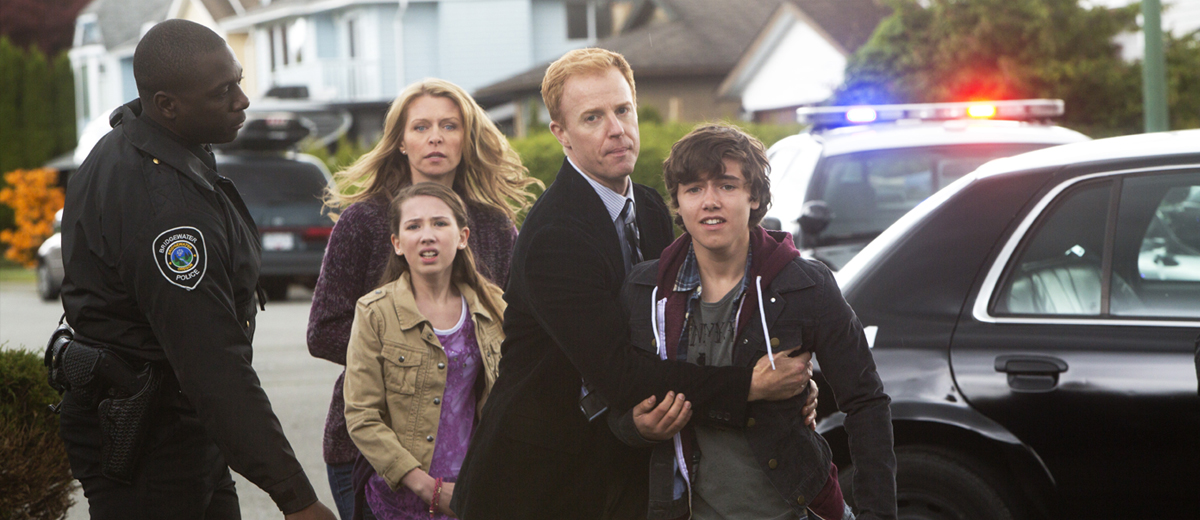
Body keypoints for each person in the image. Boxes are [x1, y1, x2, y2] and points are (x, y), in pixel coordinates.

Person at [451, 48, 818, 520]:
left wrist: (789, 388)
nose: (616, 129)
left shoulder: (648, 207)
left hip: (619, 469)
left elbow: (687, 330)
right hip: (534, 482)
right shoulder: (554, 235)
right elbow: (621, 374)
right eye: (593, 117)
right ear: (560, 134)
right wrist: (751, 386)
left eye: (623, 110)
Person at [55, 19, 335, 519]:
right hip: (152, 443)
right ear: (168, 104)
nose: (242, 100)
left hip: (174, 425)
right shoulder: (166, 209)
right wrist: (296, 498)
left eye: (238, 81)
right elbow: (211, 362)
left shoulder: (149, 143)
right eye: (222, 92)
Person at [615, 124, 896, 520]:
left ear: (755, 196)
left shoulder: (805, 285)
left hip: (796, 507)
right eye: (693, 189)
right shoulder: (646, 289)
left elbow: (865, 400)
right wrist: (635, 427)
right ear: (677, 202)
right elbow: (612, 396)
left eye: (726, 186)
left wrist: (877, 513)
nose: (710, 201)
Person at [308, 78, 538, 519]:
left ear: (466, 139)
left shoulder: (494, 226)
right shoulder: (363, 221)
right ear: (400, 141)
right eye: (421, 127)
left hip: (472, 452)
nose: (435, 137)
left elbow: (519, 332)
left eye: (449, 126)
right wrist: (415, 357)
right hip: (368, 452)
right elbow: (323, 330)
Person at [343, 183, 506, 520]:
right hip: (396, 500)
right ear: (397, 243)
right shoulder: (375, 312)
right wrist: (426, 487)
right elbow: (362, 416)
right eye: (414, 226)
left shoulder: (493, 307)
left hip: (473, 492)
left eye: (439, 223)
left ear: (462, 237)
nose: (427, 236)